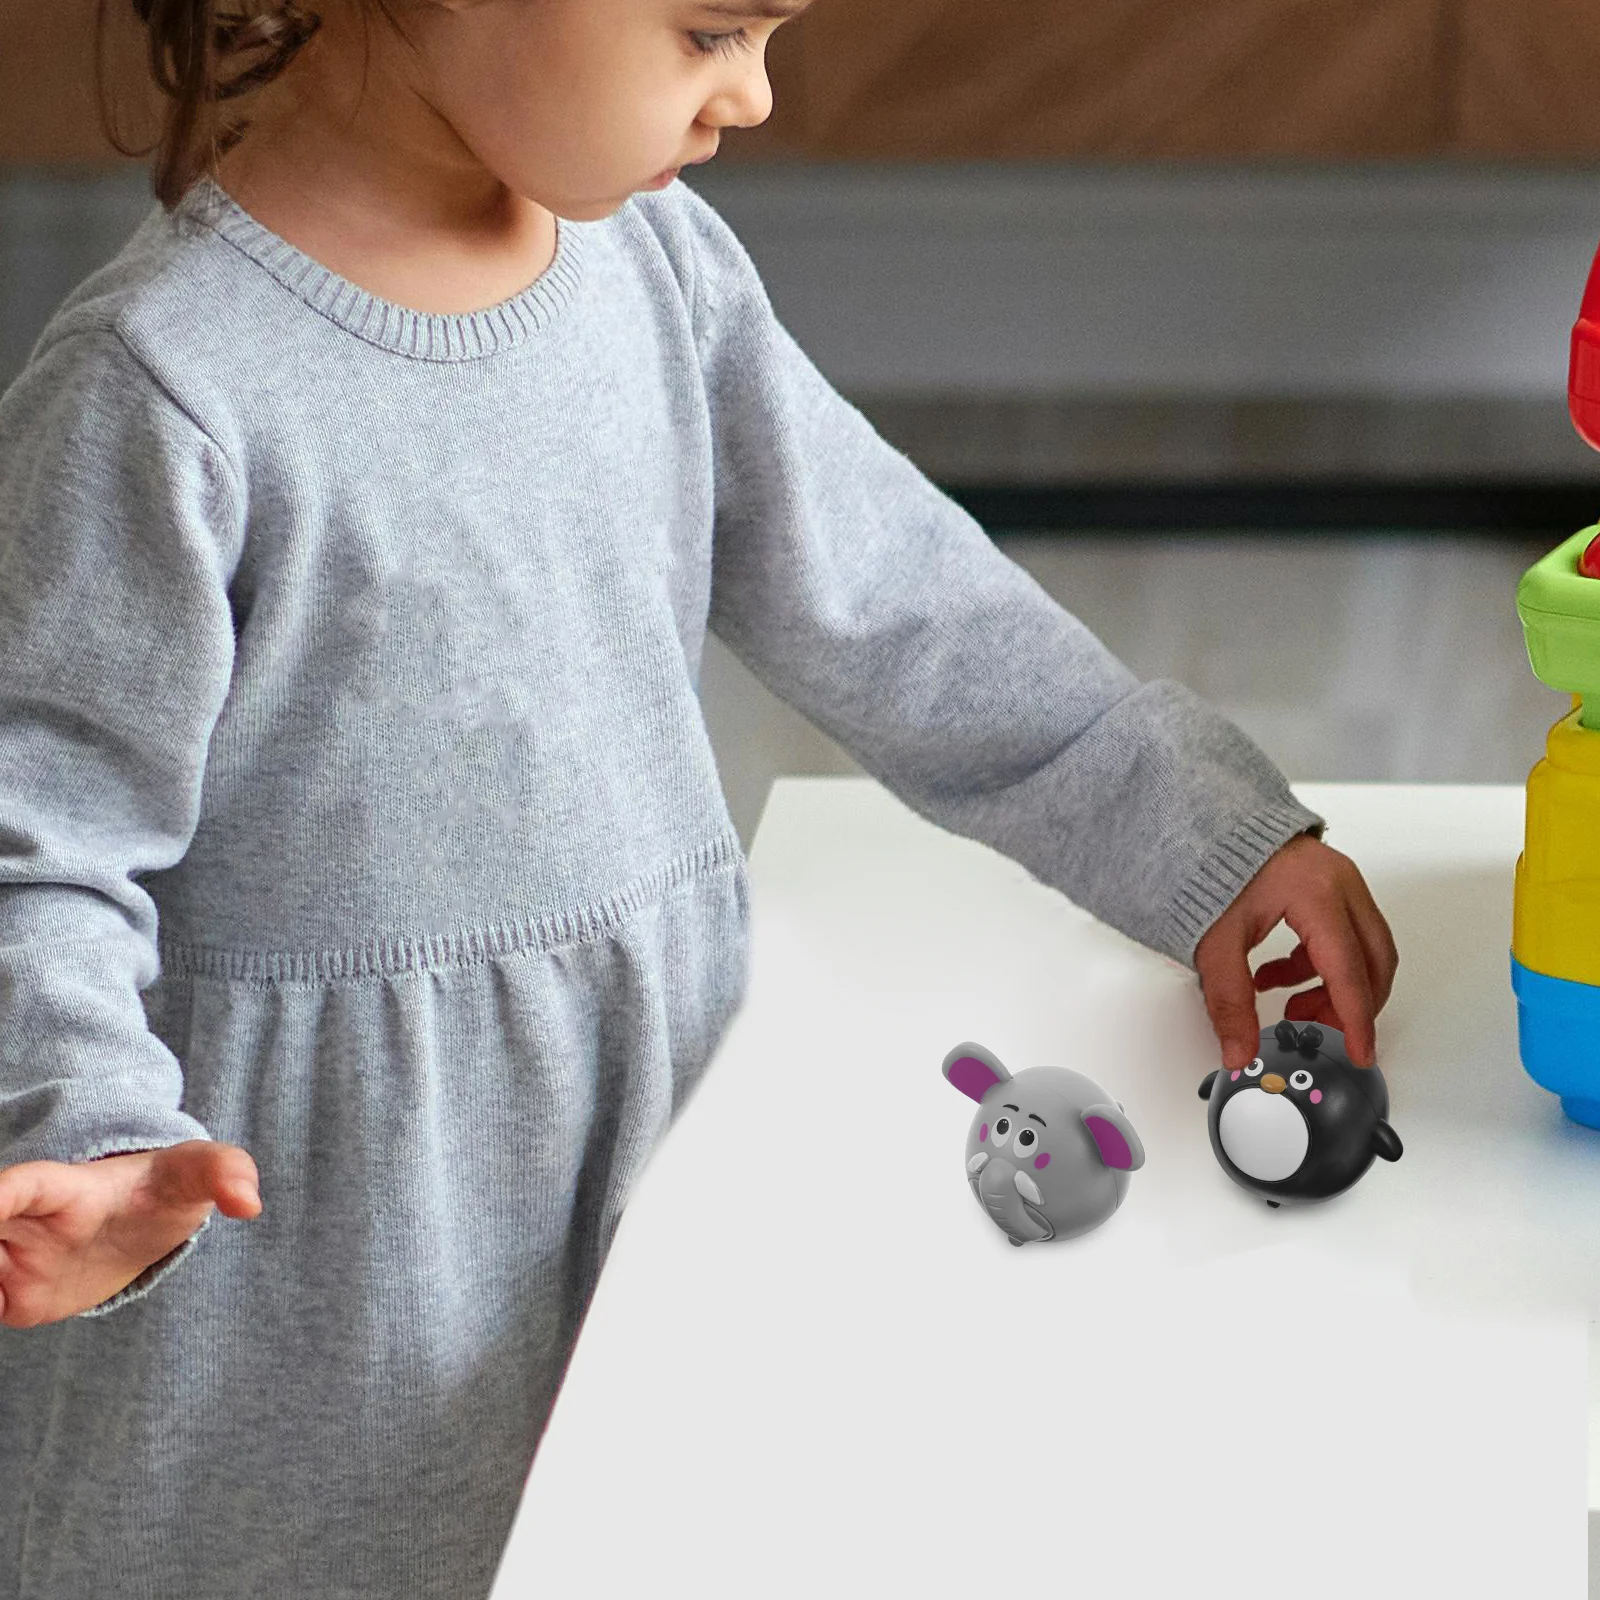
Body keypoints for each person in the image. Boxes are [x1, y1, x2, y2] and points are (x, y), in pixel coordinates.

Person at [0, 0, 1398, 1593]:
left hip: (648, 1160)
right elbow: (38, 841)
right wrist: (89, 1124)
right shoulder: (162, 390)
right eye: (710, 32)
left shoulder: (656, 272)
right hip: (310, 1294)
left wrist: (1202, 835)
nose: (754, 95)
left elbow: (908, 611)